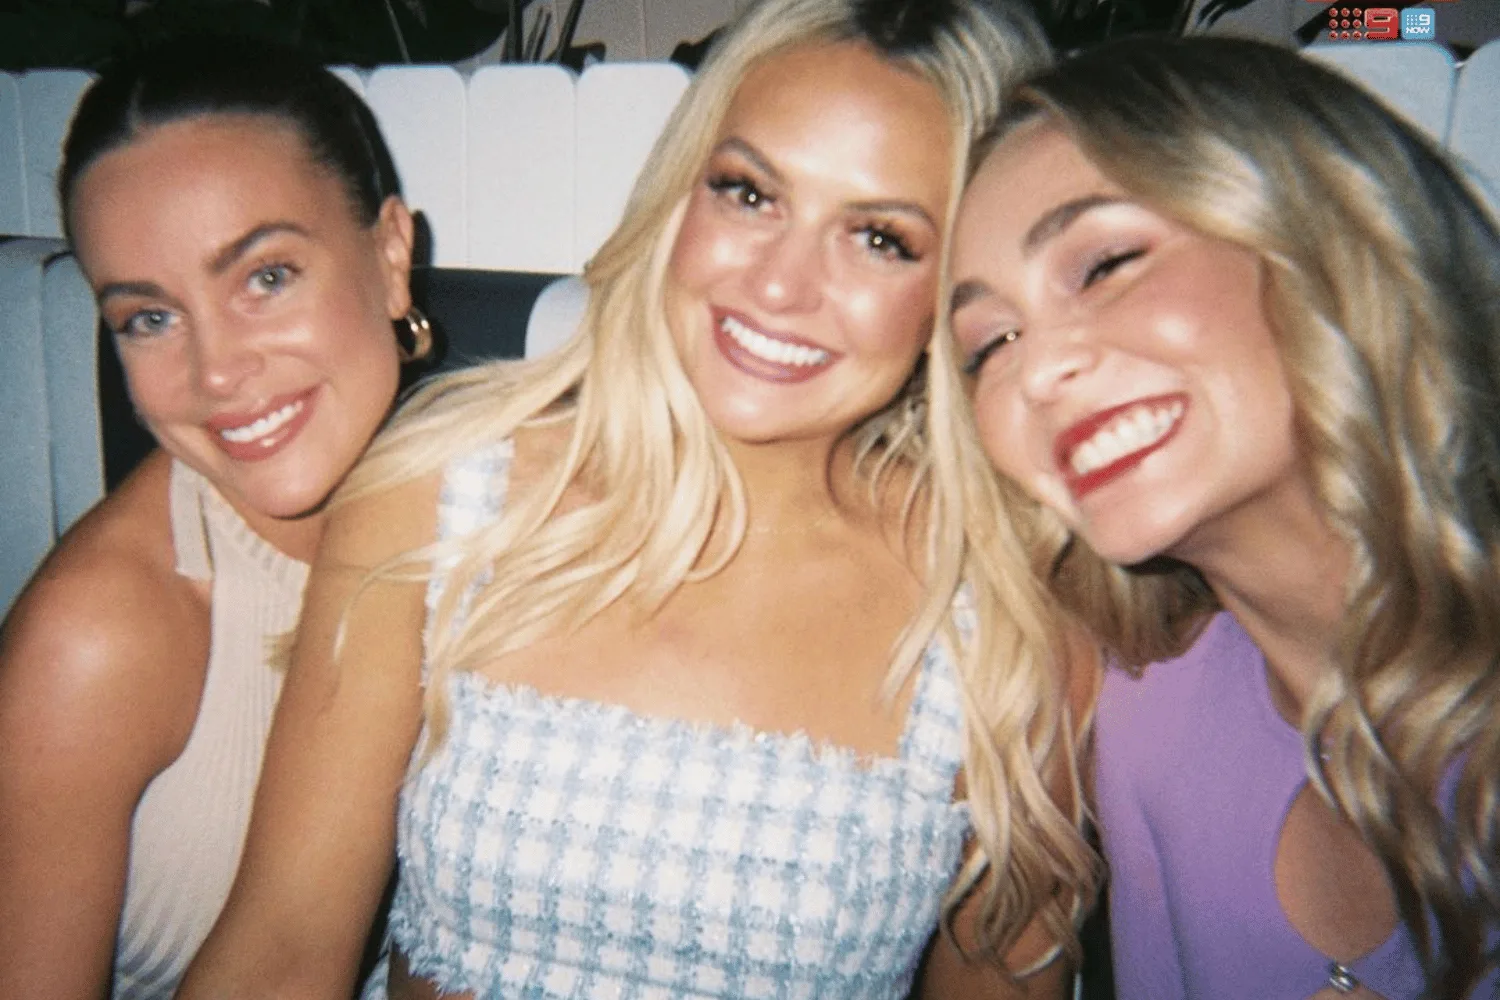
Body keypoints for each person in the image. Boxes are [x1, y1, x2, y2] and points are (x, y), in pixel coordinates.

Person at [178, 1, 1098, 997]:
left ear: (965, 284)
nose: (780, 285)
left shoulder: (1004, 616)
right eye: (749, 194)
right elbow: (283, 946)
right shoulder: (443, 493)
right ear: (681, 194)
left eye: (879, 238)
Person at [940, 34, 1500, 1000]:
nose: (1036, 370)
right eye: (990, 343)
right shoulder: (1151, 718)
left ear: (1327, 232)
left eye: (1105, 263)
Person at [0, 39, 423, 1000]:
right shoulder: (96, 640)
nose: (218, 372)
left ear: (390, 256)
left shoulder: (480, 503)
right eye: (148, 318)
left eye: (265, 278)